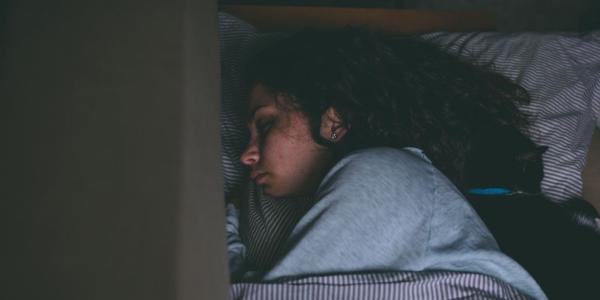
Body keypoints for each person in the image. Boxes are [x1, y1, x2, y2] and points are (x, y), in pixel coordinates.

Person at [227, 28, 547, 299]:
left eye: (266, 125)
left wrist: (227, 237)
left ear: (334, 121)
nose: (247, 155)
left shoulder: (384, 171)